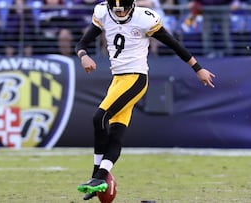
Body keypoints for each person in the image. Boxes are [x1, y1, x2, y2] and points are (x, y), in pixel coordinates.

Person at [75, 0, 216, 200]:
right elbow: (81, 43)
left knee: (99, 118)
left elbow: (173, 43)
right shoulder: (102, 12)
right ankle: (100, 177)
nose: (120, 14)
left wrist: (197, 68)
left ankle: (97, 175)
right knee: (115, 133)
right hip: (117, 80)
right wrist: (83, 56)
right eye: (117, 10)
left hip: (136, 78)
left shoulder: (144, 18)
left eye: (124, 10)